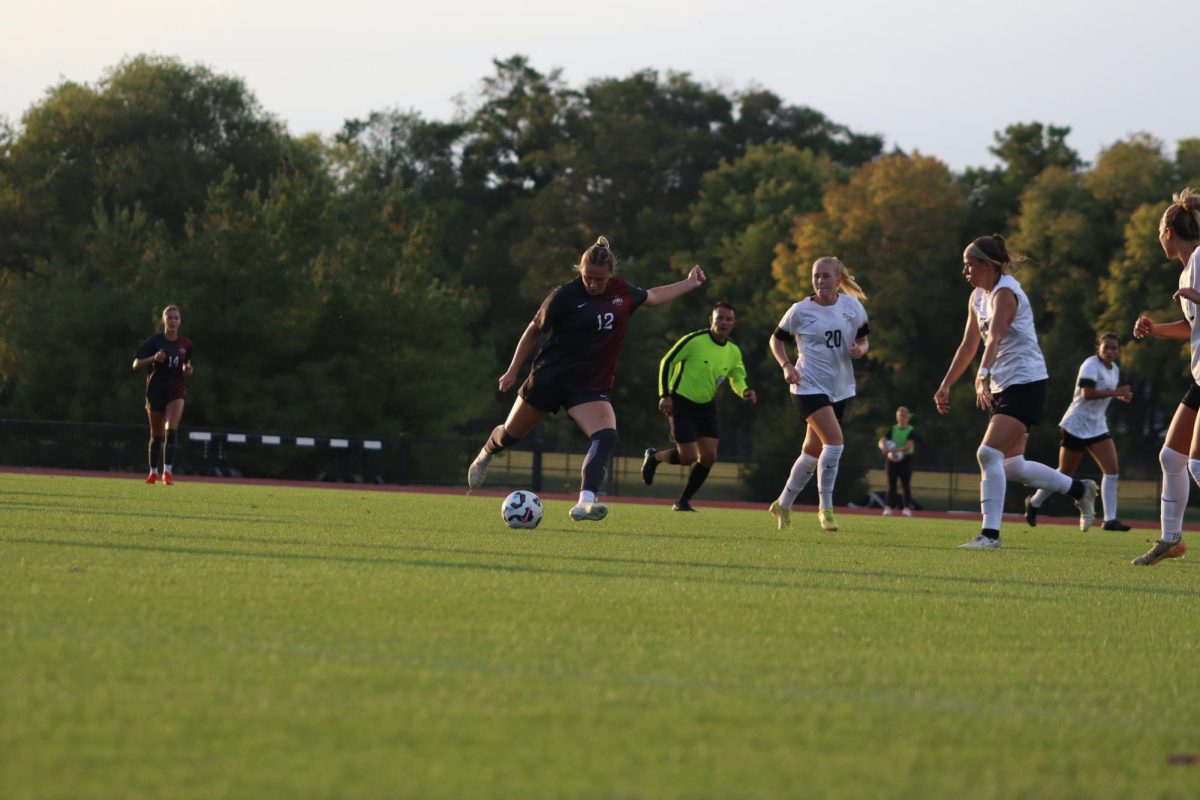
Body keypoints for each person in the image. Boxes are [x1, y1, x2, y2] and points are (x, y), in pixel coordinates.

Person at [466, 236, 706, 521]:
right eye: (587, 277)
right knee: (510, 435)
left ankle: (585, 502)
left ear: (610, 275)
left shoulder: (621, 292)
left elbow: (653, 296)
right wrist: (513, 369)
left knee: (606, 435)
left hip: (589, 385)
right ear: (579, 271)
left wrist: (689, 282)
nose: (592, 284)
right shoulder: (564, 296)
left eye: (599, 279)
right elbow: (533, 330)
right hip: (550, 378)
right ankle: (487, 452)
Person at [933, 235, 1098, 549]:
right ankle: (1080, 490)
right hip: (1005, 385)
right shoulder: (977, 297)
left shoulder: (1005, 293)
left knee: (988, 453)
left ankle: (990, 535)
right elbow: (969, 345)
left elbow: (993, 338)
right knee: (1012, 465)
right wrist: (946, 384)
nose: (965, 271)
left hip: (1026, 382)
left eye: (970, 265)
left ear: (987, 264)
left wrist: (981, 378)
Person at [767, 257, 869, 532]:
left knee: (812, 452)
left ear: (838, 279)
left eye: (825, 276)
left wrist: (862, 348)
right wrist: (786, 365)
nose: (820, 281)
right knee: (834, 443)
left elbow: (863, 338)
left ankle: (783, 503)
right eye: (816, 276)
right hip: (807, 386)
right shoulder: (800, 310)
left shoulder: (852, 306)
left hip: (839, 389)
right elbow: (776, 339)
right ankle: (825, 508)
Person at [1129, 187, 1200, 565]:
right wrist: (1155, 329)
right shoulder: (1188, 270)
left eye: (1158, 233)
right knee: (1171, 456)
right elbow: (1192, 330)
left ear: (1168, 233)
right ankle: (1171, 540)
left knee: (1197, 465)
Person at [640, 301, 757, 511]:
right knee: (688, 457)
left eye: (728, 319)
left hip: (706, 406)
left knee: (709, 457)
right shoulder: (694, 340)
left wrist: (745, 391)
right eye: (719, 318)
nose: (723, 322)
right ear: (711, 320)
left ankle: (682, 502)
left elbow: (737, 376)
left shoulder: (733, 351)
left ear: (734, 324)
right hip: (681, 402)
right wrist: (664, 395)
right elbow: (666, 361)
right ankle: (655, 457)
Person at [1025, 332, 1133, 531]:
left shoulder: (1114, 369)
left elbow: (1105, 393)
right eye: (1106, 347)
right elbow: (1088, 393)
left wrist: (1119, 397)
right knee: (1065, 472)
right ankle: (1034, 503)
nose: (1110, 351)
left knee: (1112, 469)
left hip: (1097, 425)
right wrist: (1116, 392)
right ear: (1098, 349)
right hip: (1076, 424)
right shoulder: (1090, 365)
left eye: (1114, 348)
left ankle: (1110, 520)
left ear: (1119, 351)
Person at [132, 304, 194, 485]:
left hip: (176, 390)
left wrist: (187, 369)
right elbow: (135, 364)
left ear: (180, 320)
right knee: (156, 435)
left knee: (171, 430)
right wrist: (153, 358)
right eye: (170, 318)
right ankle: (153, 472)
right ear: (163, 321)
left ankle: (168, 472)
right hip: (155, 391)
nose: (173, 321)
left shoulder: (186, 344)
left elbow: (185, 363)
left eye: (176, 318)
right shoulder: (154, 342)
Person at [879, 406, 917, 516]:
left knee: (905, 485)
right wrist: (883, 447)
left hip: (905, 460)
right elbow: (882, 440)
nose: (902, 418)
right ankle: (888, 508)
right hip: (892, 460)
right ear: (897, 417)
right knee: (891, 485)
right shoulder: (892, 429)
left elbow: (908, 446)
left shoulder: (911, 430)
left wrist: (895, 450)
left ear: (907, 417)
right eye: (900, 416)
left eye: (904, 416)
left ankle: (906, 508)